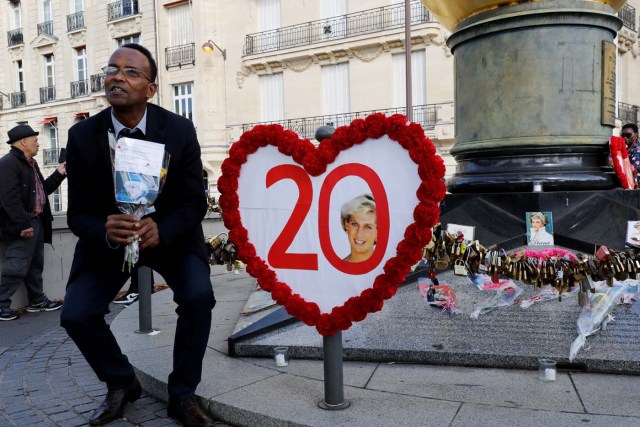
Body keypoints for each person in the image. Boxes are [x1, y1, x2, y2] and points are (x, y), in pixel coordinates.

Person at [60, 44, 217, 426]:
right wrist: (105, 229)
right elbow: (78, 212)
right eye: (111, 69)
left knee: (198, 298)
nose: (117, 77)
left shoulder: (178, 129)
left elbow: (195, 201)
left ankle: (182, 395)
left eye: (131, 72)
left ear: (151, 88)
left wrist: (162, 229)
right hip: (112, 241)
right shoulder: (82, 135)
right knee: (77, 315)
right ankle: (121, 381)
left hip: (168, 236)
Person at [0, 124, 66, 321]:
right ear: (23, 142)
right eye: (35, 140)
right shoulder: (8, 164)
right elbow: (8, 199)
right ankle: (1, 304)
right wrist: (23, 224)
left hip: (35, 222)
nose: (38, 143)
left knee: (35, 265)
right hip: (22, 225)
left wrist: (60, 173)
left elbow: (42, 190)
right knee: (16, 265)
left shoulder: (30, 163)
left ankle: (37, 300)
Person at [340, 194, 377, 262]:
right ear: (347, 225)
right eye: (355, 224)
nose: (359, 234)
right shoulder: (332, 271)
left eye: (367, 227)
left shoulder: (387, 268)